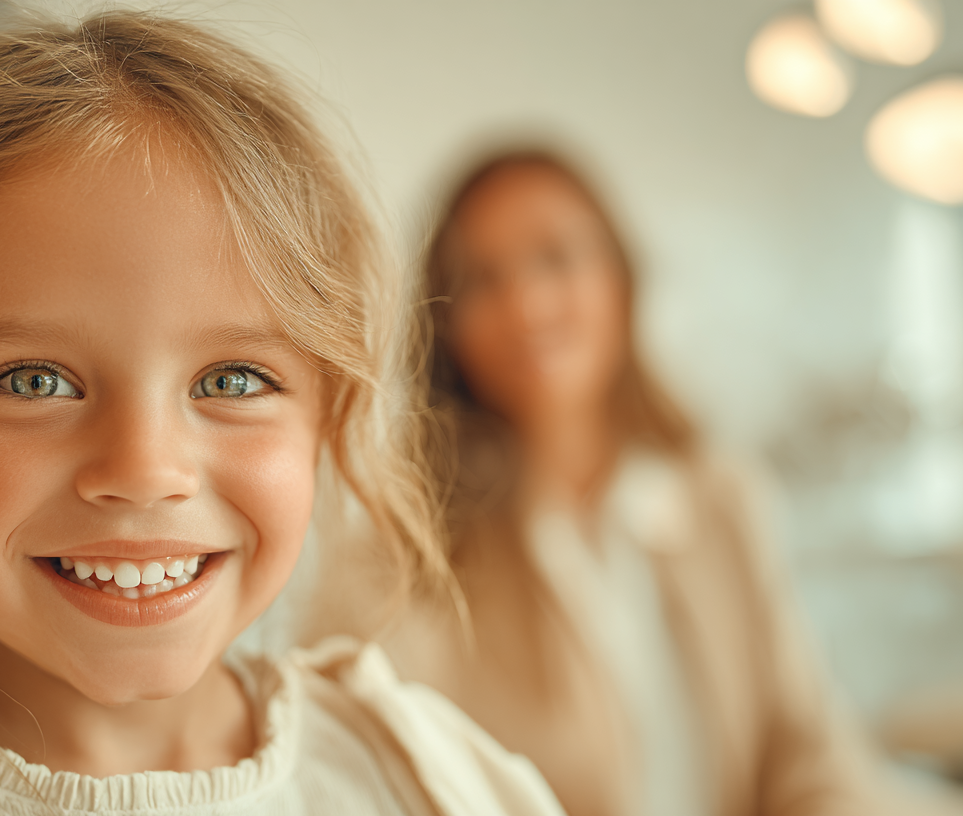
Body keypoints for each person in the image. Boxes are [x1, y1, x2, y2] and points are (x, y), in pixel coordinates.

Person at [0, 16, 564, 816]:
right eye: (34, 381)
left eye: (233, 380)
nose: (144, 467)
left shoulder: (432, 783)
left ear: (326, 422)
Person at [366, 149, 898, 816]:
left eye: (555, 258)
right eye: (481, 279)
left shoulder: (721, 498)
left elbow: (808, 747)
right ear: (446, 323)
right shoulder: (409, 537)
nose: (527, 304)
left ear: (622, 279)